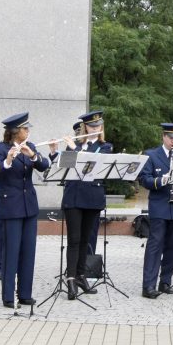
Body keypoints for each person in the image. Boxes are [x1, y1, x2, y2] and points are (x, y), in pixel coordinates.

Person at [0, 112, 50, 308]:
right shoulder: (0, 148)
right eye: (25, 129)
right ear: (15, 132)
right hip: (10, 206)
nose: (28, 131)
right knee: (11, 252)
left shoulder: (31, 147)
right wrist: (7, 161)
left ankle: (25, 294)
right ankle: (8, 297)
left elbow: (44, 165)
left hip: (29, 205)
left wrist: (33, 156)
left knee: (28, 252)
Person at [48, 111, 112, 299]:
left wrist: (74, 148)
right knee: (74, 240)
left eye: (98, 126)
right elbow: (62, 166)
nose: (94, 129)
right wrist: (53, 151)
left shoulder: (105, 147)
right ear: (85, 128)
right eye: (91, 126)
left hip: (92, 197)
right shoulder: (73, 145)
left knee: (86, 240)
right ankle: (70, 280)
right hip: (74, 198)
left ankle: (81, 276)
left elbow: (90, 164)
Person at [138, 123, 173, 298]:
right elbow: (144, 179)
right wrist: (160, 181)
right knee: (155, 245)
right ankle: (148, 285)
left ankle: (165, 280)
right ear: (164, 137)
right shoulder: (151, 155)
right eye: (172, 138)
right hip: (160, 206)